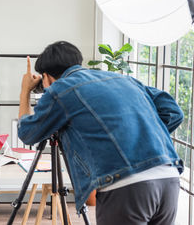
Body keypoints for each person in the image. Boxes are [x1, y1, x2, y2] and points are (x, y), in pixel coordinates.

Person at [18, 41, 183, 225]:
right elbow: (173, 111)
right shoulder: (123, 79)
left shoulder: (60, 90)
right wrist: (136, 134)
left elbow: (27, 133)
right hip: (169, 177)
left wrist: (25, 90)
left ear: (46, 77)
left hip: (127, 186)